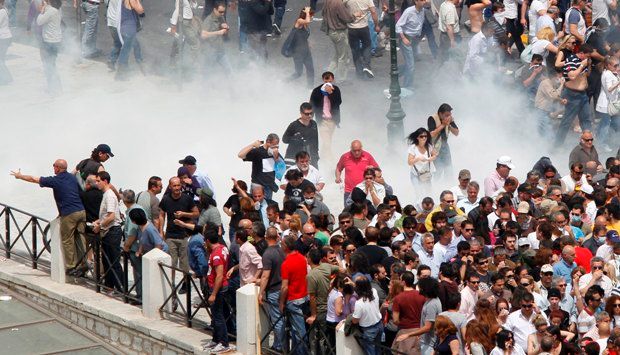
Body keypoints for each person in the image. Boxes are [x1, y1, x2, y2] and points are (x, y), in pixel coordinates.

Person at [11, 160, 87, 275]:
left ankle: (71, 267)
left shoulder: (55, 180)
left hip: (69, 213)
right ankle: (84, 264)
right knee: (80, 238)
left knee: (67, 239)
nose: (53, 168)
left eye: (54, 166)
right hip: (81, 211)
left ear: (57, 168)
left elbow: (33, 179)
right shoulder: (72, 177)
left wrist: (19, 176)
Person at [159, 177, 199, 293]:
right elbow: (161, 214)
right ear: (170, 186)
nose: (177, 188)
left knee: (184, 263)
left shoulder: (187, 199)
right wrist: (161, 231)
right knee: (171, 262)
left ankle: (186, 284)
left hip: (184, 235)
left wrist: (184, 214)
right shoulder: (166, 199)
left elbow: (196, 213)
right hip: (170, 235)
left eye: (178, 185)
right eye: (174, 186)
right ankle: (170, 284)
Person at [555, 44, 594, 146]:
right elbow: (572, 76)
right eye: (587, 56)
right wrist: (582, 65)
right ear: (581, 53)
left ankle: (587, 143)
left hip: (583, 94)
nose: (588, 58)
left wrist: (588, 65)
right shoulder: (572, 59)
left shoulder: (584, 62)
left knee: (586, 120)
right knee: (566, 122)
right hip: (572, 95)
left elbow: (587, 75)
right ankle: (557, 146)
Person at [203, 224, 233, 353]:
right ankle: (216, 339)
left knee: (218, 316)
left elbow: (219, 276)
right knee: (216, 316)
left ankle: (224, 343)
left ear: (208, 241)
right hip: (219, 287)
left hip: (217, 289)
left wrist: (213, 294)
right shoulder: (222, 248)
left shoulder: (216, 255)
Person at [93, 172, 124, 292]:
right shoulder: (106, 194)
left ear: (105, 181)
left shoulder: (109, 196)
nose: (96, 183)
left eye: (98, 181)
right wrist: (98, 221)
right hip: (108, 231)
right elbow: (107, 215)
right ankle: (109, 286)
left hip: (112, 232)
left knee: (114, 261)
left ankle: (122, 288)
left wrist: (99, 225)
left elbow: (111, 216)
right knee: (107, 261)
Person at [279, 235, 309, 355]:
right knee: (298, 330)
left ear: (285, 246)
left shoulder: (286, 264)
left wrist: (281, 303)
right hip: (304, 297)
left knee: (299, 331)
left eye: (282, 244)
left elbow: (284, 287)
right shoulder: (302, 258)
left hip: (293, 299)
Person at [258, 227, 285, 351]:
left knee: (277, 320)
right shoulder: (282, 251)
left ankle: (280, 346)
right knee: (282, 318)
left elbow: (265, 276)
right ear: (277, 237)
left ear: (266, 237)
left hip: (274, 291)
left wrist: (261, 292)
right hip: (283, 288)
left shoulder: (268, 253)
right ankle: (280, 344)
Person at [310, 72, 342, 162]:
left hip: (332, 121)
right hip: (322, 121)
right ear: (323, 80)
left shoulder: (336, 90)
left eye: (329, 79)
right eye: (326, 79)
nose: (328, 81)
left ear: (333, 79)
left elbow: (338, 102)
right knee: (327, 143)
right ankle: (331, 163)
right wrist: (310, 119)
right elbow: (312, 105)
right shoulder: (317, 90)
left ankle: (321, 159)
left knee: (327, 142)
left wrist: (330, 93)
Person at [335, 140, 379, 206]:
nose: (357, 153)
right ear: (351, 149)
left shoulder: (367, 156)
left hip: (364, 190)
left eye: (359, 150)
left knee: (365, 212)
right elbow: (338, 168)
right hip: (349, 191)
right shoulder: (345, 157)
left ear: (362, 148)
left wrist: (372, 168)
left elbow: (378, 170)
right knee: (348, 213)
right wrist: (338, 177)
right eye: (354, 151)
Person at [238, 134, 281, 200]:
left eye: (277, 146)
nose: (275, 148)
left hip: (269, 186)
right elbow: (240, 155)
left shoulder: (275, 153)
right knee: (256, 207)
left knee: (267, 207)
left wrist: (276, 156)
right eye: (273, 146)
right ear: (268, 142)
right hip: (258, 185)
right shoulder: (258, 151)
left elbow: (280, 165)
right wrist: (253, 145)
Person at [396, 0, 426, 90]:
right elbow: (398, 25)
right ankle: (407, 86)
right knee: (411, 65)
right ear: (416, 1)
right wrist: (403, 38)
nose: (424, 2)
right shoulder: (409, 11)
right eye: (422, 0)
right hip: (407, 39)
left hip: (415, 39)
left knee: (410, 63)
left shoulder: (423, 10)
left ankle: (396, 72)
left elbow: (420, 25)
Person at [322, 0, 355, 81]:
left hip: (331, 31)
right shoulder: (338, 3)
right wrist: (354, 15)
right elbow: (347, 18)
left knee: (337, 55)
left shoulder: (328, 1)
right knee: (343, 57)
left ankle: (328, 74)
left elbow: (323, 12)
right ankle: (341, 78)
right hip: (339, 32)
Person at [346, 0, 380, 79]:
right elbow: (373, 12)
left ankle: (359, 72)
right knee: (367, 46)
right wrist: (376, 25)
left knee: (355, 50)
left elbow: (342, 8)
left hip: (351, 28)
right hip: (363, 27)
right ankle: (367, 66)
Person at [36, 0, 62, 95]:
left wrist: (42, 11)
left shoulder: (51, 11)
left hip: (50, 41)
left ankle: (53, 88)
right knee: (52, 65)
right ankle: (56, 87)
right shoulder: (56, 10)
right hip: (55, 41)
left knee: (49, 65)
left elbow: (39, 21)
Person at [351, 277, 383, 355]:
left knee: (370, 352)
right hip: (379, 325)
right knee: (378, 350)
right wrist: (354, 284)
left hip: (369, 330)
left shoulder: (359, 303)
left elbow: (355, 321)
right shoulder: (374, 291)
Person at [595, 55, 620, 152]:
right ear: (608, 65)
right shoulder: (608, 74)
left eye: (618, 65)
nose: (617, 68)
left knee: (607, 123)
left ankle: (600, 139)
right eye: (615, 66)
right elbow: (609, 89)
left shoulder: (610, 73)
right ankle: (602, 144)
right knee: (606, 124)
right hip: (606, 104)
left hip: (610, 103)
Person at [427, 103, 459, 180]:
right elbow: (431, 134)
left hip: (445, 146)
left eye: (449, 115)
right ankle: (436, 186)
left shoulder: (449, 119)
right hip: (434, 148)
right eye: (446, 115)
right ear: (440, 114)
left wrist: (449, 125)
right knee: (438, 170)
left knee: (449, 169)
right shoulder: (432, 118)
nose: (448, 117)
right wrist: (443, 125)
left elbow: (456, 133)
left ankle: (448, 185)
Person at [283, 102, 319, 168]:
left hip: (311, 157)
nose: (310, 116)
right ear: (301, 113)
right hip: (295, 157)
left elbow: (316, 140)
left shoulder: (314, 124)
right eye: (307, 114)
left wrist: (316, 155)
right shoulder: (294, 125)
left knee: (313, 177)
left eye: (311, 113)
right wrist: (295, 138)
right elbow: (284, 139)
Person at [407, 127, 438, 204]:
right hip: (415, 174)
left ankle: (428, 206)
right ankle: (418, 206)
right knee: (418, 192)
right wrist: (417, 158)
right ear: (417, 137)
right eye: (421, 136)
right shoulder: (413, 148)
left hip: (426, 173)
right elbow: (409, 162)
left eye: (425, 136)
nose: (424, 138)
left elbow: (435, 155)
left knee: (428, 192)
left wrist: (428, 159)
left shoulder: (429, 146)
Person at [115, 0, 144, 80]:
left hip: (125, 27)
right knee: (125, 51)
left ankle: (139, 65)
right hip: (129, 28)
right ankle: (121, 74)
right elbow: (140, 11)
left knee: (136, 46)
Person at [201, 2, 232, 75]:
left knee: (229, 71)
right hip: (211, 51)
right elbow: (203, 35)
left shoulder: (221, 17)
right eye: (220, 12)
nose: (222, 14)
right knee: (208, 73)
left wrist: (226, 28)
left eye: (223, 12)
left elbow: (225, 32)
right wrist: (218, 32)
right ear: (215, 9)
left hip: (220, 50)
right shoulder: (208, 20)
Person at [287, 7, 315, 88]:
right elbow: (307, 20)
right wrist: (307, 12)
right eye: (311, 15)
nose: (312, 17)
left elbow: (303, 36)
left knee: (310, 69)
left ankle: (310, 87)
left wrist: (308, 43)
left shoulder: (306, 25)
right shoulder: (299, 21)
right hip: (297, 52)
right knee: (298, 73)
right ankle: (283, 81)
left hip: (306, 51)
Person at [437, 0, 460, 64]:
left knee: (444, 55)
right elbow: (449, 27)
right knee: (451, 57)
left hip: (443, 36)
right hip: (449, 37)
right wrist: (452, 41)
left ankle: (441, 69)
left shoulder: (444, 4)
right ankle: (449, 71)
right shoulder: (450, 9)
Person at [0, 0, 12, 86]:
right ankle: (5, 78)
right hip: (4, 37)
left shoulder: (2, 11)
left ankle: (6, 78)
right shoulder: (3, 10)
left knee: (1, 60)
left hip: (4, 37)